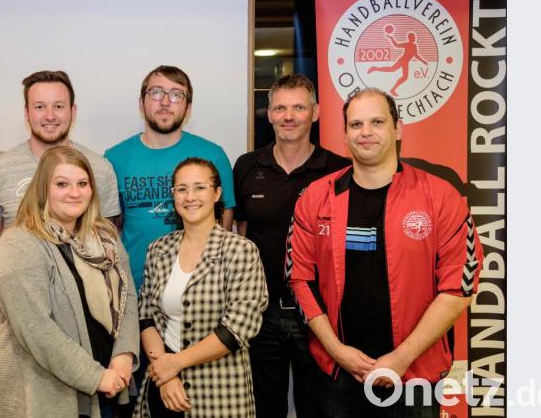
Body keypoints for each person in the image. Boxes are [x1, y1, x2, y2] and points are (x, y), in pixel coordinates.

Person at [287, 88, 484, 416]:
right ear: (345, 134)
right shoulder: (315, 198)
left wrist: (401, 358)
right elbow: (299, 279)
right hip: (337, 375)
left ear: (398, 129)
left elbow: (459, 287)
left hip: (414, 376)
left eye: (377, 122)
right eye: (356, 124)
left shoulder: (440, 196)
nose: (365, 132)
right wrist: (337, 351)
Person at [0, 146, 139, 418]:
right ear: (42, 189)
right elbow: (36, 329)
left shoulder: (105, 238)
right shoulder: (18, 244)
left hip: (109, 386)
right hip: (48, 395)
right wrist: (95, 377)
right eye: (61, 184)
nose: (74, 192)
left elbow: (127, 298)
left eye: (82, 183)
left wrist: (124, 354)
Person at [232, 74, 350, 418]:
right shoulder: (246, 166)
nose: (288, 116)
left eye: (298, 107)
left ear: (315, 113)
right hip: (261, 312)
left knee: (318, 407)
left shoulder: (339, 170)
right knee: (265, 407)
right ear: (268, 113)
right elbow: (242, 233)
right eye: (280, 108)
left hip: (318, 315)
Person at [135, 157, 268, 417]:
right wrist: (165, 373)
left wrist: (175, 364)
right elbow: (146, 316)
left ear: (217, 193)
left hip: (218, 393)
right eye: (181, 189)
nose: (190, 197)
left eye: (199, 187)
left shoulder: (240, 250)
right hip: (164, 389)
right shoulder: (158, 249)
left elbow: (238, 328)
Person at [104, 65, 236, 292]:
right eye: (156, 93)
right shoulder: (115, 158)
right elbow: (111, 228)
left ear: (188, 107)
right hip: (133, 288)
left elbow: (224, 223)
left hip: (200, 290)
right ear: (141, 102)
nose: (165, 102)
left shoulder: (213, 155)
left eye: (176, 95)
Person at [0, 70, 120, 252]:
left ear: (73, 111)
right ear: (27, 112)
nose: (50, 116)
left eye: (58, 106)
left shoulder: (100, 169)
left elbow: (106, 240)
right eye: (40, 107)